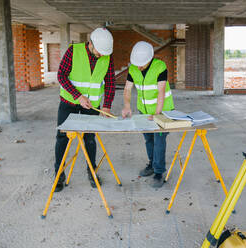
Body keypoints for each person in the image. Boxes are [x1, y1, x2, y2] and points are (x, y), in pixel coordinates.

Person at [54, 28, 116, 192]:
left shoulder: (107, 56)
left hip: (92, 105)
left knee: (89, 139)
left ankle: (92, 171)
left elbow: (110, 83)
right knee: (62, 138)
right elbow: (61, 76)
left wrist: (107, 105)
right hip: (69, 101)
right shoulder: (73, 51)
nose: (102, 55)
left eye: (104, 53)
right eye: (99, 51)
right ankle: (59, 175)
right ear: (90, 43)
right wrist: (78, 96)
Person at [122, 41, 174, 188]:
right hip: (143, 112)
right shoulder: (133, 68)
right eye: (137, 64)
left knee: (159, 141)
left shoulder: (160, 67)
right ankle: (152, 164)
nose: (139, 67)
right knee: (148, 139)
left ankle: (158, 172)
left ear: (150, 59)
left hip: (163, 110)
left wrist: (157, 114)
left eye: (142, 64)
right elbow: (127, 89)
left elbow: (161, 92)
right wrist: (126, 106)